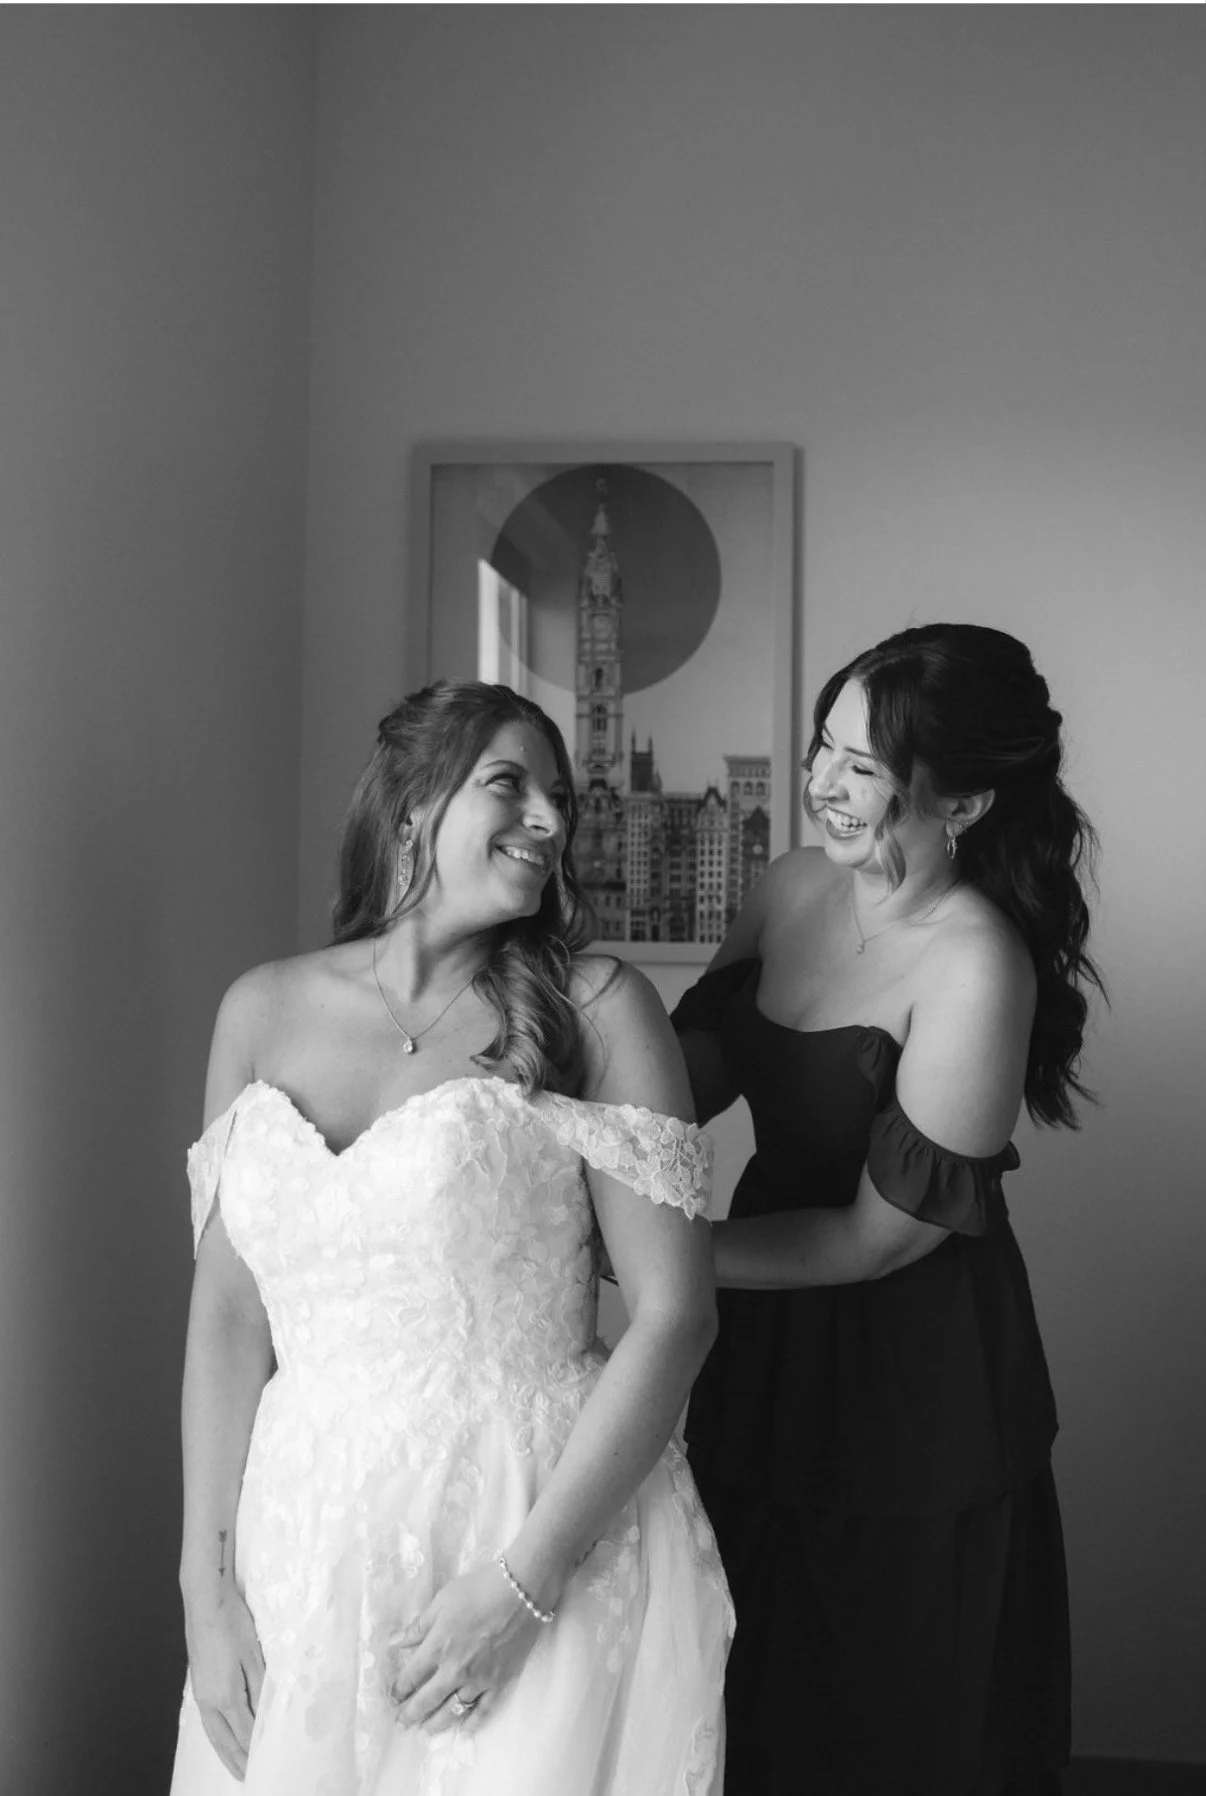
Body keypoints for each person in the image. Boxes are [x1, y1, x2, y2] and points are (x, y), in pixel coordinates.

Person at [170, 679, 733, 1796]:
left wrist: (520, 1587)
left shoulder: (601, 1008)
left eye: (560, 799)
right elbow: (231, 1318)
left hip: (527, 1525)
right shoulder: (260, 1011)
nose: (549, 819)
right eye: (508, 784)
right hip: (304, 1537)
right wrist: (204, 1584)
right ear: (415, 803)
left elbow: (676, 1317)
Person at [672, 623, 1103, 1796]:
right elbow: (695, 1078)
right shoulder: (790, 885)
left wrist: (659, 1261)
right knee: (734, 1669)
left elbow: (877, 1238)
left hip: (910, 1365)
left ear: (958, 800)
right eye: (823, 744)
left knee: (881, 1705)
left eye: (860, 764)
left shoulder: (976, 963)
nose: (819, 781)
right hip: (762, 1335)